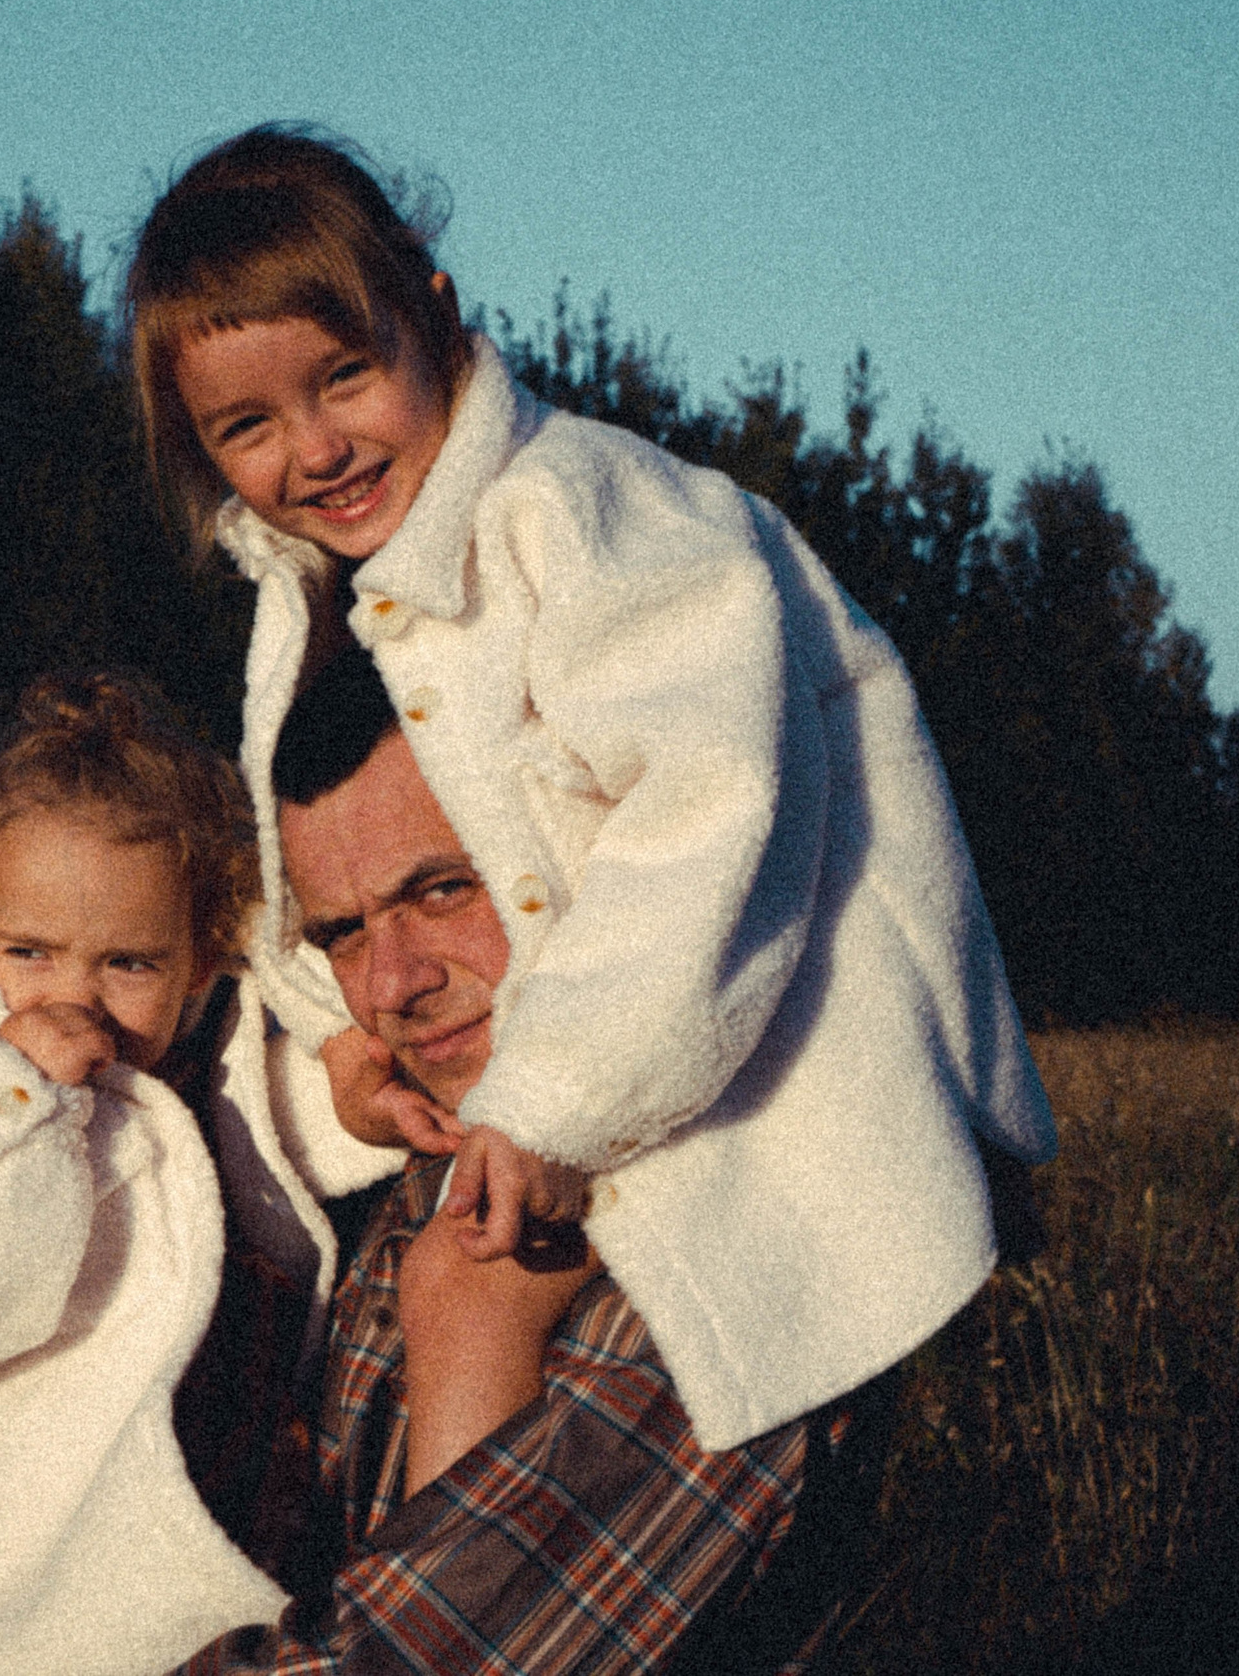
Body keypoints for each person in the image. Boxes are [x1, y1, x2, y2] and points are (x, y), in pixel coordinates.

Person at [127, 125, 1057, 1453]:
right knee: (382, 1303)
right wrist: (341, 1037)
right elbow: (313, 877)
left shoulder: (587, 515)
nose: (315, 448)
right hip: (621, 1053)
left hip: (778, 1050)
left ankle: (450, 1581)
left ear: (433, 313)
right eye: (248, 426)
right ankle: (418, 1552)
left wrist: (551, 1100)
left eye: (344, 376)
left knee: (468, 1287)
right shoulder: (310, 599)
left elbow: (707, 824)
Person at [0, 673, 479, 1676]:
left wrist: (352, 1108)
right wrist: (13, 1098)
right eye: (30, 952)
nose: (75, 998)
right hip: (17, 1608)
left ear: (200, 965)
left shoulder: (197, 1068)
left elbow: (270, 1126)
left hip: (219, 1559)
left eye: (128, 963)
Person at [177, 648, 900, 1673]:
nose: (390, 985)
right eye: (341, 934)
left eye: (442, 889)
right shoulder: (435, 1151)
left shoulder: (714, 1261)